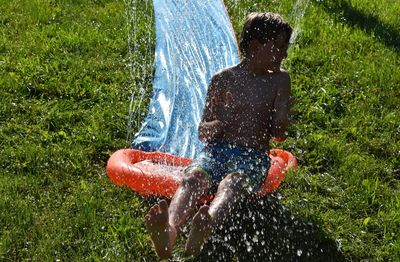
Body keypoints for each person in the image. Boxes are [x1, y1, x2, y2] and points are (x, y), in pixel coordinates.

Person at [144, 12, 293, 259]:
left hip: (252, 157)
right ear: (255, 47)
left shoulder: (279, 80)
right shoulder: (222, 80)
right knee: (192, 178)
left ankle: (205, 224)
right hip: (216, 152)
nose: (284, 53)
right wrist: (220, 121)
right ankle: (168, 231)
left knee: (232, 184)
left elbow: (278, 134)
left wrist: (283, 116)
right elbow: (203, 132)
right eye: (278, 47)